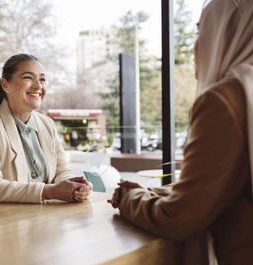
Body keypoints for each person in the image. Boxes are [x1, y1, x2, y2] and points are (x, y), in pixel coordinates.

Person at [108, 0, 253, 264]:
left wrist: (129, 198)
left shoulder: (225, 101)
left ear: (224, 33)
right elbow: (223, 188)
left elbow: (180, 217)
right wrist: (156, 193)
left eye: (200, 33)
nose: (195, 47)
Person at [0, 54, 93, 204]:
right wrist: (50, 191)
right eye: (28, 78)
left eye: (42, 79)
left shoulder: (47, 124)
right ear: (5, 85)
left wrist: (74, 187)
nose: (38, 86)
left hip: (42, 219)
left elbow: (62, 171)